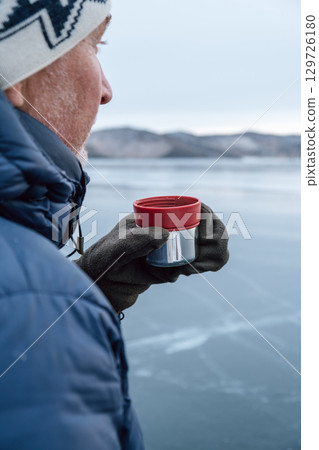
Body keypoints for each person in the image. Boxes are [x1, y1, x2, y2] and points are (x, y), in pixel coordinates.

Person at [0, 2, 229, 449]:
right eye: (93, 46)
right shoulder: (31, 305)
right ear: (15, 77)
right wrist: (56, 304)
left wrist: (95, 289)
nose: (106, 90)